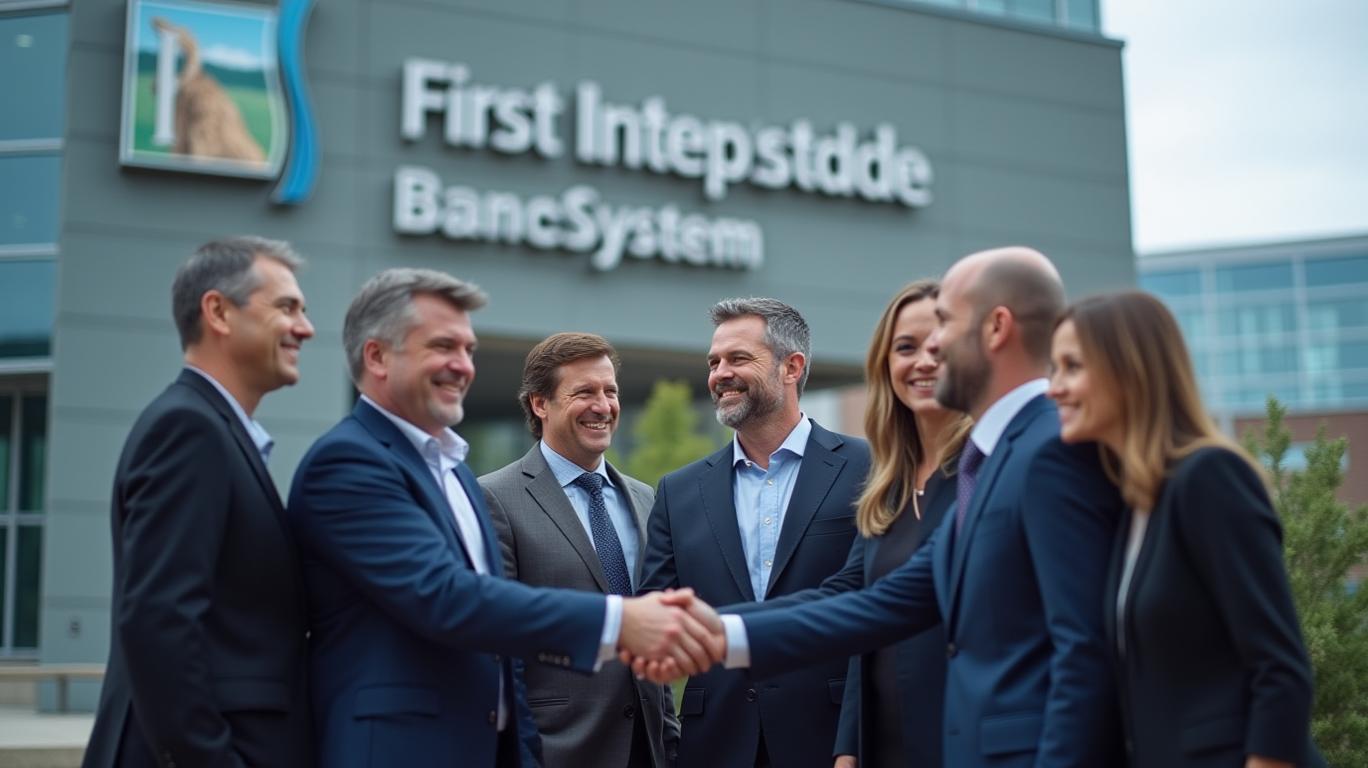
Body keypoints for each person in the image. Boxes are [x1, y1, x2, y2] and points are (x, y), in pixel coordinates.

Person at [642, 247, 1127, 768]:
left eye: (944, 323)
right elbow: (883, 601)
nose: (933, 349)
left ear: (996, 328)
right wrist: (719, 633)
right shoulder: (989, 459)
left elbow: (1085, 648)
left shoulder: (1049, 449)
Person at [286, 268, 719, 768]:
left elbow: (497, 648)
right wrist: (620, 621)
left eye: (468, 349)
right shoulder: (350, 461)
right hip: (398, 747)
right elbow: (447, 597)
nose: (463, 366)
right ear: (377, 356)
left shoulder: (451, 471)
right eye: (443, 346)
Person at [1047, 291, 1320, 768]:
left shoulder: (1209, 477)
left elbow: (1280, 668)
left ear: (1130, 370)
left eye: (1072, 367)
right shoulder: (1136, 502)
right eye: (1054, 369)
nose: (1054, 388)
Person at [83, 237, 316, 768]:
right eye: (286, 307)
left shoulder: (213, 429)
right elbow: (159, 619)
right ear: (218, 312)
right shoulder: (190, 429)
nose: (305, 328)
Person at [639, 297, 871, 768]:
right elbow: (655, 621)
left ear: (792, 367)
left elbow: (879, 613)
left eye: (738, 358)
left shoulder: (868, 467)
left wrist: (856, 742)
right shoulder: (678, 491)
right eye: (714, 362)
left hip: (831, 742)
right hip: (714, 746)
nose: (720, 374)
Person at [480, 332, 680, 768]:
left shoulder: (645, 499)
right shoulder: (494, 498)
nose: (603, 406)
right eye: (585, 392)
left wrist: (670, 740)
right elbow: (499, 642)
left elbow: (654, 631)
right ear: (540, 404)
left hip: (649, 750)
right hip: (555, 750)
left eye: (611, 391)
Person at [832, 280, 970, 768]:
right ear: (885, 365)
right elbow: (859, 610)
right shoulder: (885, 488)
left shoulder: (985, 471)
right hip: (884, 746)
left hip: (959, 739)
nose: (923, 362)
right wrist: (848, 746)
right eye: (906, 348)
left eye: (938, 347)